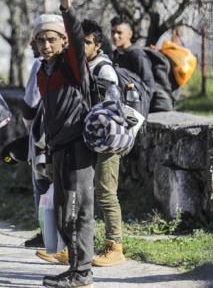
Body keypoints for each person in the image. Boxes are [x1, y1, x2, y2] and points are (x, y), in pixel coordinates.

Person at [34, 0, 96, 287]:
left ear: (61, 42)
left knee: (77, 212)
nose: (46, 45)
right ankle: (74, 268)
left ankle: (82, 273)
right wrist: (46, 154)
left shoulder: (72, 66)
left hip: (77, 148)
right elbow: (47, 115)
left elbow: (76, 36)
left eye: (52, 39)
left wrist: (67, 7)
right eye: (41, 40)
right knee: (60, 215)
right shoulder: (42, 72)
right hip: (58, 150)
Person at [82, 19, 126, 267]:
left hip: (107, 141)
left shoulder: (104, 70)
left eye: (87, 43)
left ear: (97, 45)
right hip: (88, 139)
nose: (82, 47)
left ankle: (114, 246)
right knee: (84, 193)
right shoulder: (82, 65)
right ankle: (80, 245)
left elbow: (113, 110)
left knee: (106, 192)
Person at [21, 22, 49, 248]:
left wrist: (32, 129)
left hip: (43, 135)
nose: (35, 44)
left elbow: (30, 104)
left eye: (38, 39)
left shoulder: (40, 65)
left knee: (41, 184)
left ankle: (47, 232)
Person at [110, 15, 156, 111]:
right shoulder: (115, 55)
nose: (115, 36)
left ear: (129, 34)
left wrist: (141, 111)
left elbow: (149, 85)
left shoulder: (136, 54)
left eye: (119, 33)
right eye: (113, 32)